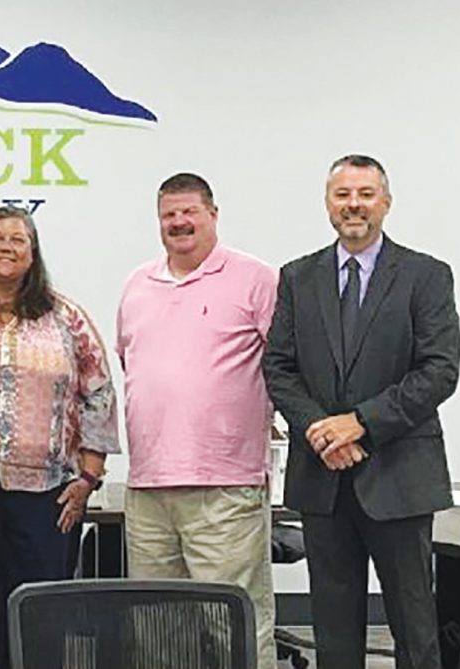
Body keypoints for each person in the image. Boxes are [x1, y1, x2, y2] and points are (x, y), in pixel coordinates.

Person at [263, 155, 460, 669]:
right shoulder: (298, 277)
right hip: (323, 480)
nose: (354, 205)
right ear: (328, 204)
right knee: (334, 637)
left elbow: (439, 371)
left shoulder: (426, 275)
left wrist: (361, 423)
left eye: (365, 194)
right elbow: (279, 368)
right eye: (343, 195)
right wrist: (321, 431)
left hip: (400, 478)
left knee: (416, 633)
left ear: (386, 203)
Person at [0, 205, 120, 669]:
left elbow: (98, 392)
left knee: (40, 617)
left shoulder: (65, 316)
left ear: (32, 252)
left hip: (48, 495)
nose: (6, 248)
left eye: (18, 240)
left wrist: (89, 477)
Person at [116, 173, 278, 667]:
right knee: (160, 630)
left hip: (224, 485)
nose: (179, 222)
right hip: (148, 488)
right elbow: (132, 364)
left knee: (234, 625)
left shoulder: (256, 278)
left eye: (190, 212)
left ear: (213, 214)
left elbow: (287, 366)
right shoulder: (138, 283)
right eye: (169, 215)